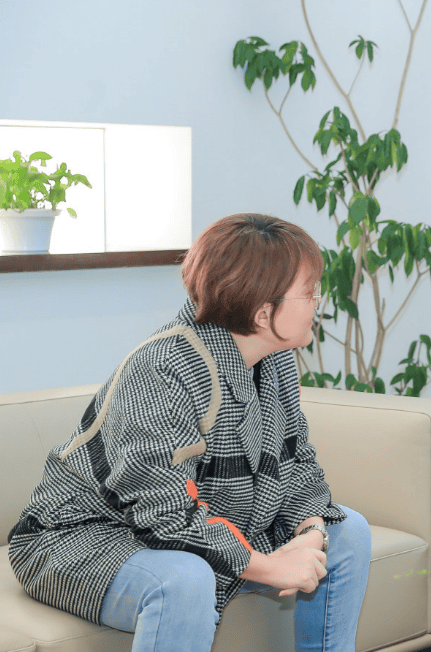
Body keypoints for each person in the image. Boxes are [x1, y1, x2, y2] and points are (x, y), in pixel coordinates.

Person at [7, 213, 372, 652]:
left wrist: (312, 534)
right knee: (185, 579)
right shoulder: (162, 369)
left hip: (207, 526)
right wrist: (267, 566)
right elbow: (163, 514)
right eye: (310, 291)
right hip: (85, 538)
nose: (319, 301)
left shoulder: (273, 358)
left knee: (348, 531)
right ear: (263, 313)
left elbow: (298, 464)